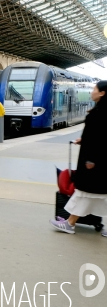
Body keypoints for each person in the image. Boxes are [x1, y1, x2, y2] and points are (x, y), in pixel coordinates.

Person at [50, 81, 107, 237]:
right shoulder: (101, 111)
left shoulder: (99, 113)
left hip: (95, 161)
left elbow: (99, 140)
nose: (92, 91)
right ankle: (69, 223)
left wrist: (90, 160)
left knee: (86, 192)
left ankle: (69, 224)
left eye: (95, 89)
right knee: (94, 194)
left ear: (102, 93)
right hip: (99, 160)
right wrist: (84, 140)